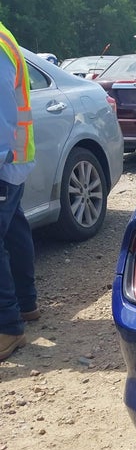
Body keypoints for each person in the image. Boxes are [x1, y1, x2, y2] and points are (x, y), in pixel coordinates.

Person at [0, 20, 38, 362]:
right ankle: (26, 305)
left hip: (4, 160)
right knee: (14, 229)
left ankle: (8, 328)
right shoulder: (3, 36)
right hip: (13, 158)